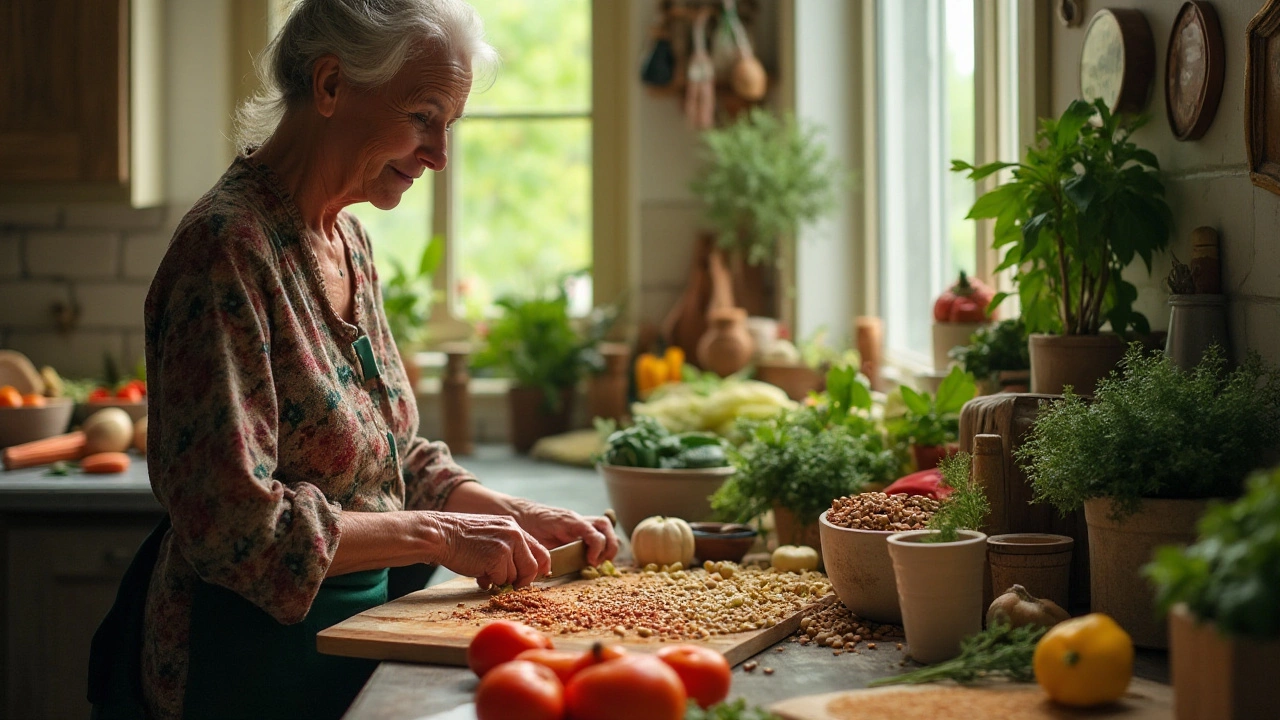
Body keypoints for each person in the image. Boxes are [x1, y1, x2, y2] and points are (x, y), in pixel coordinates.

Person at [87, 1, 618, 718]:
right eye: (424, 117)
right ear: (331, 87)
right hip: (245, 662)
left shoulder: (348, 242)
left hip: (348, 643)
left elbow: (392, 458)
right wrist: (443, 535)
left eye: (449, 126)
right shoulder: (226, 250)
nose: (439, 156)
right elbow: (233, 527)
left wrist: (516, 515)